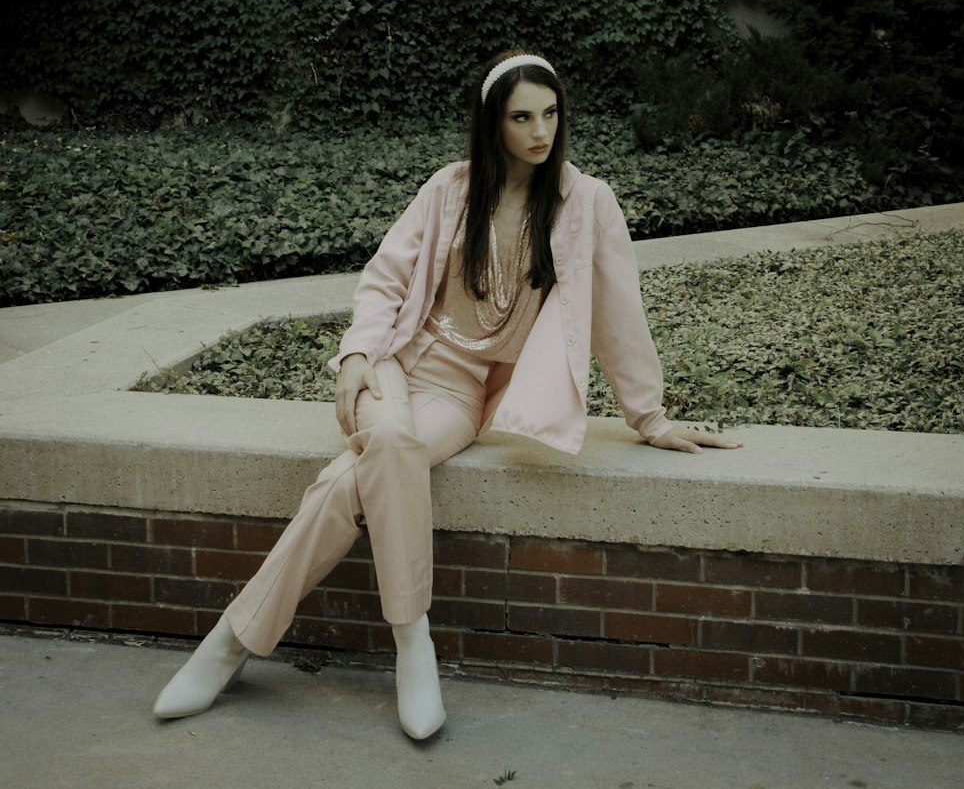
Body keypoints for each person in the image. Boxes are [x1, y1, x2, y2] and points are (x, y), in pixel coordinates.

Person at [152, 51, 741, 737]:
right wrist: (355, 357)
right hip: (400, 366)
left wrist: (650, 416)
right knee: (389, 441)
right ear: (493, 122)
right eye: (521, 117)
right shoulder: (449, 189)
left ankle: (230, 642)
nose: (539, 132)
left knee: (354, 476)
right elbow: (384, 281)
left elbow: (619, 316)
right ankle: (413, 643)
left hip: (463, 395)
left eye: (550, 115)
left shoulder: (587, 203)